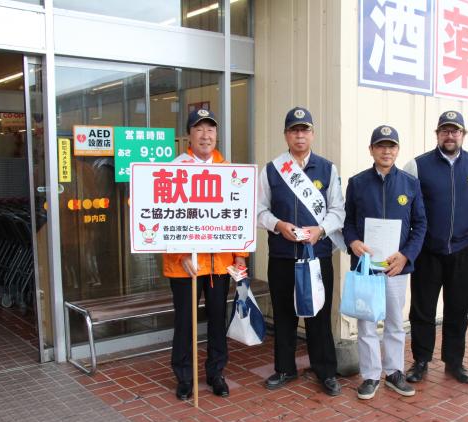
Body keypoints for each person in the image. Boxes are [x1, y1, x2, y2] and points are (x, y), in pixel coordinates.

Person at [257, 107, 345, 396]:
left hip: (317, 256)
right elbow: (258, 211)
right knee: (284, 315)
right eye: (294, 130)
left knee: (319, 314)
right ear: (286, 135)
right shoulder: (271, 169)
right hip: (282, 254)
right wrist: (277, 224)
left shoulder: (327, 168)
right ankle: (284, 368)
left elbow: (337, 211)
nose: (299, 135)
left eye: (304, 129)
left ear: (312, 134)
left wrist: (321, 230)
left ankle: (326, 371)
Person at [163, 109, 249, 400]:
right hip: (185, 265)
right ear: (189, 134)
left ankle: (216, 373)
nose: (205, 135)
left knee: (216, 319)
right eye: (199, 129)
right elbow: (157, 218)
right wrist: (180, 254)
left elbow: (239, 216)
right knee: (185, 321)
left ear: (216, 135)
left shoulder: (229, 171)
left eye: (210, 129)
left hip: (219, 263)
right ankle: (185, 377)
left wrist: (240, 255)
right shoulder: (174, 168)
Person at [403, 111, 468, 384]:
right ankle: (421, 361)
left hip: (461, 250)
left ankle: (454, 361)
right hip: (427, 250)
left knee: (458, 310)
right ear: (437, 134)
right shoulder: (417, 165)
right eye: (445, 131)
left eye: (455, 131)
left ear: (463, 134)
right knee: (422, 309)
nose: (450, 135)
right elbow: (409, 207)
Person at [343, 125, 427, 400]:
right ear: (371, 150)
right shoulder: (357, 183)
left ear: (397, 150)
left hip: (395, 267)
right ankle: (370, 376)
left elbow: (420, 224)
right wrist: (353, 242)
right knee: (367, 322)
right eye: (381, 146)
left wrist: (406, 255)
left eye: (391, 146)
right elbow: (348, 223)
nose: (386, 151)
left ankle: (393, 372)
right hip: (367, 266)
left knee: (393, 321)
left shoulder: (410, 184)